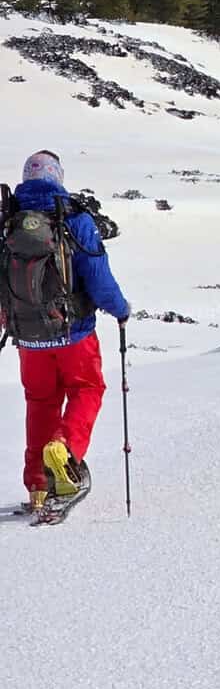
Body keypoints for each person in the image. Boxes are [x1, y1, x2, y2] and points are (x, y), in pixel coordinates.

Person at [0, 151, 131, 513]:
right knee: (87, 389)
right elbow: (98, 278)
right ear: (58, 176)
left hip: (28, 337)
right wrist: (120, 309)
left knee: (40, 402)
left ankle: (38, 486)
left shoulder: (8, 221)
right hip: (74, 332)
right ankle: (65, 451)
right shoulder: (73, 218)